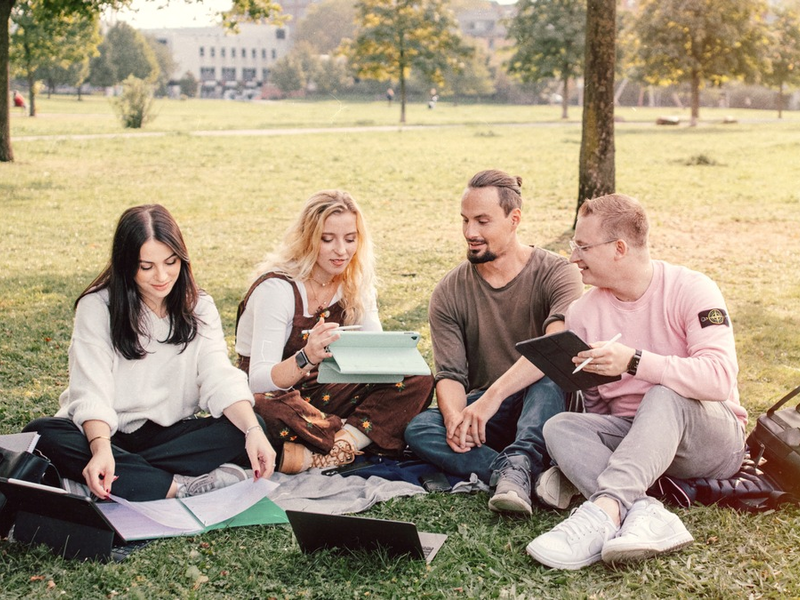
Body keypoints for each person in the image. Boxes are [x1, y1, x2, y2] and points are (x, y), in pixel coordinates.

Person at [526, 193, 747, 569]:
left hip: (709, 438)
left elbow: (719, 379)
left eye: (582, 246)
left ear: (619, 248)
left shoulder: (692, 289)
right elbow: (596, 402)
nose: (573, 257)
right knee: (560, 426)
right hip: (638, 445)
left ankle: (606, 510)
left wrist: (634, 362)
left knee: (663, 394)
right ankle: (646, 512)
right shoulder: (582, 312)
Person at [24, 205, 277, 502]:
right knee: (41, 435)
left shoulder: (200, 306)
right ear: (126, 264)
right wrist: (101, 449)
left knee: (248, 426)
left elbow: (219, 376)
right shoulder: (97, 306)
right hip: (102, 432)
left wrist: (251, 431)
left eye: (171, 262)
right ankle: (178, 488)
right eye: (146, 266)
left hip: (168, 436)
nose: (162, 276)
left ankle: (119, 479)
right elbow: (91, 389)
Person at [403, 169, 584, 516]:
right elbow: (451, 375)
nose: (470, 232)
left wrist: (492, 397)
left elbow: (555, 347)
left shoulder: (558, 273)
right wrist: (455, 420)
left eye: (482, 221)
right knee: (421, 428)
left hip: (546, 404)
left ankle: (518, 465)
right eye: (465, 220)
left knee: (549, 373)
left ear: (514, 219)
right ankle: (518, 472)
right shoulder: (449, 291)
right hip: (489, 417)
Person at [235, 190, 434, 474]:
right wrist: (306, 357)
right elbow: (258, 381)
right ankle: (354, 433)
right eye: (327, 239)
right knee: (261, 409)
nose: (341, 250)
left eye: (350, 239)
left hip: (328, 387)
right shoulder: (277, 289)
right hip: (279, 396)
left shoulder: (356, 283)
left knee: (418, 377)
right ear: (307, 239)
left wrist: (392, 353)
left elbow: (377, 362)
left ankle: (335, 448)